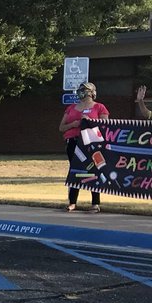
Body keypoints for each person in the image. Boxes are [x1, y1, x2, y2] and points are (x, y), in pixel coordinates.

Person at [59, 81, 110, 212]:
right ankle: (72, 202)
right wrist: (74, 124)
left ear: (92, 92)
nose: (82, 92)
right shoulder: (71, 108)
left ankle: (95, 203)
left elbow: (105, 126)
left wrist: (89, 121)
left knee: (94, 170)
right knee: (75, 170)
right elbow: (61, 127)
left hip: (90, 142)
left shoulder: (99, 107)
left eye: (85, 90)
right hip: (73, 141)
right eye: (81, 90)